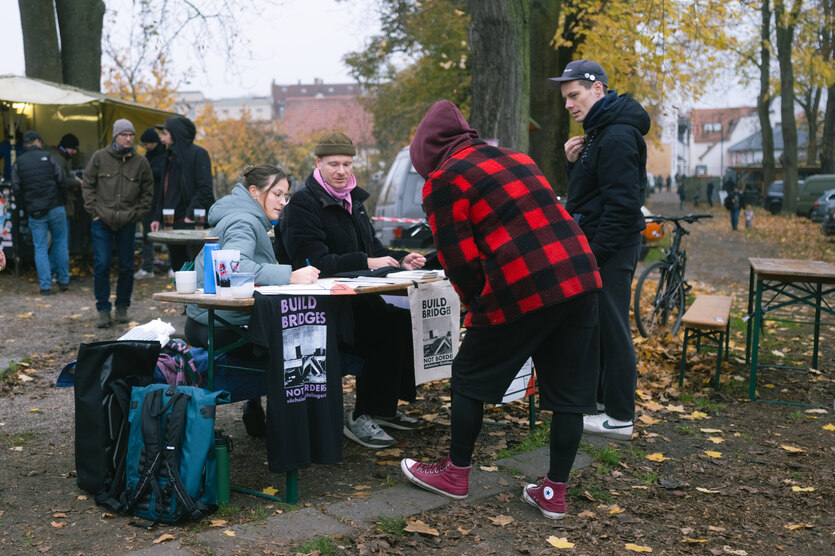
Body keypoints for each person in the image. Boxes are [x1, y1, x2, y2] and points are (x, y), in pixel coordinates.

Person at [399, 100, 602, 519]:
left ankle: (455, 474)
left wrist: (476, 306)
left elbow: (458, 259)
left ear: (425, 152)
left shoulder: (443, 179)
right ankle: (554, 493)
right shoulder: (516, 157)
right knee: (569, 394)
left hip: (524, 284)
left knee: (469, 377)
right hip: (581, 276)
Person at [276, 131, 426, 449]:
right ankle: (361, 416)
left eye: (347, 163)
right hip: (318, 308)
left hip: (358, 298)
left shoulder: (353, 200)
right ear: (318, 163)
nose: (342, 171)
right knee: (382, 330)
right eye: (334, 164)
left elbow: (373, 246)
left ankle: (383, 408)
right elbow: (315, 263)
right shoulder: (303, 203)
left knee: (401, 323)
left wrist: (401, 258)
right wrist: (369, 262)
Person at [549, 59, 649, 441]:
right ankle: (605, 406)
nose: (568, 105)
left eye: (574, 95)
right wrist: (572, 164)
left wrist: (596, 254)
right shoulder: (599, 132)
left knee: (613, 329)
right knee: (602, 329)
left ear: (598, 89)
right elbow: (589, 196)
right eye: (564, 99)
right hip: (601, 247)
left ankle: (621, 415)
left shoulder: (618, 135)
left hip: (611, 249)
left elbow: (623, 206)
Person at [185, 165, 320, 436]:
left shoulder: (244, 216)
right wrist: (291, 276)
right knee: (304, 343)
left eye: (286, 196)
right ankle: (294, 429)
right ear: (254, 192)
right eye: (278, 194)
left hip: (205, 320)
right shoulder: (244, 221)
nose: (284, 202)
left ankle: (258, 405)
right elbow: (236, 267)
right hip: (224, 325)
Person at [82, 119, 154, 328]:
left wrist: (138, 214)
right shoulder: (100, 157)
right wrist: (93, 210)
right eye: (124, 135)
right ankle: (103, 310)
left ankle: (122, 307)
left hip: (128, 220)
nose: (129, 138)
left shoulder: (140, 162)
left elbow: (148, 191)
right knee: (102, 263)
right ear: (115, 136)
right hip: (102, 219)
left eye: (131, 135)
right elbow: (88, 184)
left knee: (126, 266)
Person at [150, 116, 214, 276]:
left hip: (193, 224)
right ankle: (186, 302)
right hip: (172, 225)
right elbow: (162, 192)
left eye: (165, 133)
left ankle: (198, 302)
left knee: (199, 270)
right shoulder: (168, 158)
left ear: (176, 134)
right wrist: (157, 217)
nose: (162, 138)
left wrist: (191, 214)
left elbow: (205, 188)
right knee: (180, 271)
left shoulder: (198, 154)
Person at [11, 130, 69, 294]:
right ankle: (64, 281)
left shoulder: (19, 162)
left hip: (35, 212)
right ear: (37, 141)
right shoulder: (49, 157)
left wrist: (25, 207)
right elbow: (62, 179)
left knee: (40, 247)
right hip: (55, 207)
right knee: (60, 243)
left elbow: (16, 188)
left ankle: (45, 286)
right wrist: (62, 201)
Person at [48, 133, 82, 283]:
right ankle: (56, 273)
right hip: (61, 205)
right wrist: (78, 183)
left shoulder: (54, 155)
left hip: (52, 205)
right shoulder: (60, 159)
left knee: (54, 242)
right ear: (69, 147)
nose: (75, 152)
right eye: (74, 149)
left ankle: (53, 273)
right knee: (62, 241)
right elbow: (63, 181)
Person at [134, 128, 167, 279]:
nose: (145, 147)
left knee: (169, 234)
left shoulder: (166, 155)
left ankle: (174, 266)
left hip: (164, 200)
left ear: (153, 142)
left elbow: (162, 173)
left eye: (146, 144)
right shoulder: (148, 156)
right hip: (149, 200)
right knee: (147, 235)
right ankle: (147, 267)